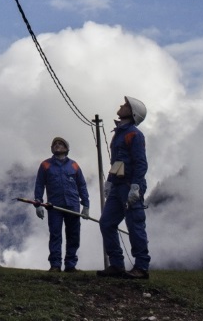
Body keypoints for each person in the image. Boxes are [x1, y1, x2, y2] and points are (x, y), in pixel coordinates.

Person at [98, 96, 150, 279]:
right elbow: (117, 162)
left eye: (126, 105)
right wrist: (110, 181)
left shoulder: (134, 134)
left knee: (135, 225)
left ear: (133, 112)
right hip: (118, 185)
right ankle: (117, 265)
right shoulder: (119, 133)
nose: (121, 105)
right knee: (106, 223)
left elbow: (140, 163)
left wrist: (135, 186)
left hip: (129, 185)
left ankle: (141, 267)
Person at [33, 135, 90, 271]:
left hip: (73, 205)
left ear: (66, 148)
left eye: (60, 143)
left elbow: (82, 185)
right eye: (55, 144)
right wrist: (38, 204)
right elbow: (40, 185)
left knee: (73, 236)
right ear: (52, 148)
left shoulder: (74, 165)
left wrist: (86, 205)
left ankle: (70, 265)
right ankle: (55, 265)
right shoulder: (45, 165)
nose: (57, 145)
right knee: (55, 235)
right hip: (54, 206)